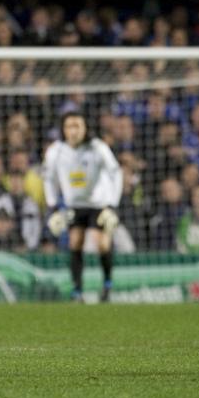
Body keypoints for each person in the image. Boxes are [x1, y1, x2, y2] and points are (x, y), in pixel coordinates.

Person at [43, 112, 123, 302]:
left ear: (85, 128)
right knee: (75, 242)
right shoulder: (56, 151)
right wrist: (52, 206)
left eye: (77, 125)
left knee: (102, 244)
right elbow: (48, 178)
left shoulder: (97, 148)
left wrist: (112, 205)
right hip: (74, 205)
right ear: (63, 129)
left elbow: (116, 172)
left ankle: (107, 285)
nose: (74, 130)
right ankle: (77, 291)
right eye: (69, 126)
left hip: (98, 204)